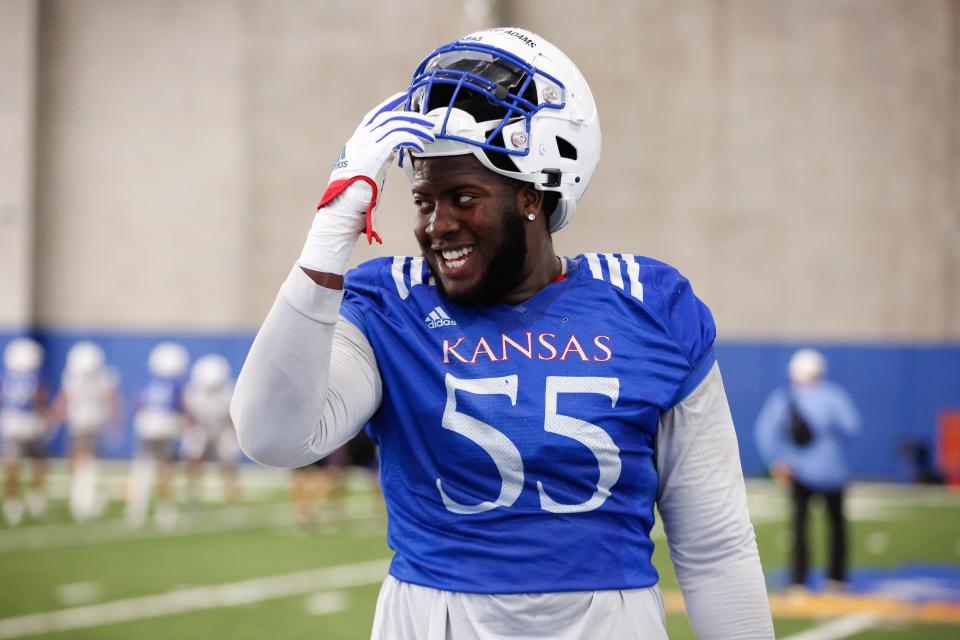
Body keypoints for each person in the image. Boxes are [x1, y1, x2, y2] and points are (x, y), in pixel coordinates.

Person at [233, 27, 774, 638]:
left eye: (463, 196)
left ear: (533, 196)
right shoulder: (390, 305)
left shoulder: (651, 305)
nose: (437, 225)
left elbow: (715, 547)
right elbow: (272, 437)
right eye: (423, 199)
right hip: (435, 619)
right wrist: (330, 232)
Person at [755, 348, 861, 592]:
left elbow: (766, 433)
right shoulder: (834, 396)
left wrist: (777, 461)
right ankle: (837, 577)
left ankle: (799, 579)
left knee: (799, 526)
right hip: (833, 469)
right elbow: (851, 428)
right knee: (836, 526)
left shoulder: (783, 398)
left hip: (798, 470)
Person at [50, 340, 122, 522]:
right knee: (82, 463)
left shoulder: (102, 377)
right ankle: (84, 500)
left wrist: (54, 419)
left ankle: (84, 501)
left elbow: (111, 401)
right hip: (83, 423)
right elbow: (65, 400)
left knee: (85, 462)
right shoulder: (83, 377)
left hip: (89, 423)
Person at [126, 341, 189, 529]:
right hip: (164, 427)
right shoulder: (175, 385)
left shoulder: (148, 382)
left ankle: (136, 509)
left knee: (142, 469)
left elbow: (137, 405)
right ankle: (165, 510)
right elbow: (180, 408)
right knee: (165, 469)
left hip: (145, 426)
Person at [181, 354, 241, 513]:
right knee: (194, 460)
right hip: (201, 427)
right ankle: (193, 498)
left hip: (223, 428)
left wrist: (230, 433)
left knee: (229, 463)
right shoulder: (192, 392)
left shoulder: (230, 391)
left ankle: (232, 503)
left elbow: (233, 417)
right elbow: (189, 415)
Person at [1, 338, 50, 525]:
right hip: (29, 422)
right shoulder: (34, 375)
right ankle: (35, 499)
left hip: (10, 422)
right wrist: (43, 417)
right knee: (38, 461)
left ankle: (12, 503)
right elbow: (38, 396)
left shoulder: (6, 375)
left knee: (12, 464)